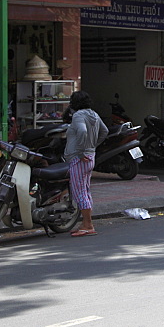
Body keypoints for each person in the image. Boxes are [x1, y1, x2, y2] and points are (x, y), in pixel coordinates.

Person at [65, 90, 108, 237]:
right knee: (85, 189)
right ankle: (85, 223)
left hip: (79, 159)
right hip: (90, 156)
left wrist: (81, 151)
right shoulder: (94, 114)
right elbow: (105, 131)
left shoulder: (78, 115)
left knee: (79, 192)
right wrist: (93, 146)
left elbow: (82, 131)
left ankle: (88, 225)